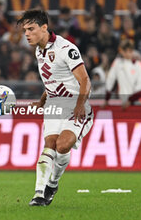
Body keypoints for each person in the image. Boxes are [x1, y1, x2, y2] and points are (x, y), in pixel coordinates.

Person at [17, 10, 93, 206]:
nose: (27, 34)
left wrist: (79, 106)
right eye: (25, 30)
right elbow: (52, 81)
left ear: (44, 28)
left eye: (31, 29)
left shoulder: (66, 48)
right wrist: (42, 101)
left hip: (75, 104)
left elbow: (85, 80)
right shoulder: (38, 50)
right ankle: (39, 194)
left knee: (62, 145)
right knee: (50, 144)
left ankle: (53, 183)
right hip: (54, 105)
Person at [104, 40, 141, 109]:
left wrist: (130, 100)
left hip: (137, 101)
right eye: (125, 51)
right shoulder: (117, 63)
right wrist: (106, 99)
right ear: (121, 51)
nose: (128, 53)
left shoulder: (139, 65)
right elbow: (110, 81)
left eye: (130, 51)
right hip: (123, 101)